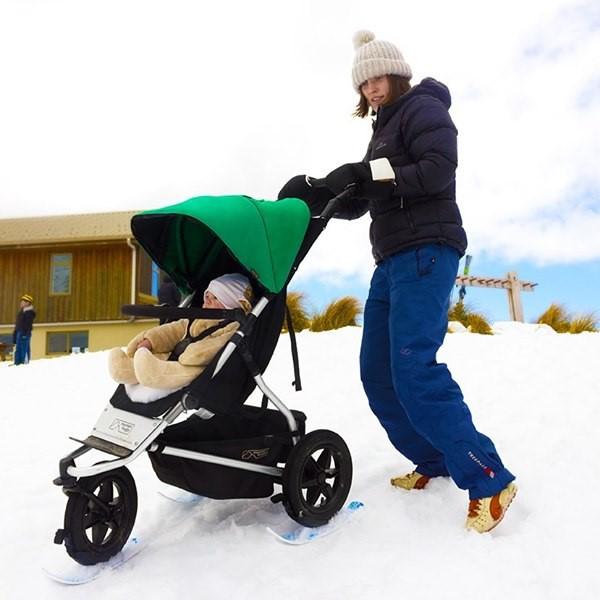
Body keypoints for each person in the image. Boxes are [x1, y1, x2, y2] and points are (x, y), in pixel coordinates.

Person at [278, 31, 516, 533]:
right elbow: (373, 192)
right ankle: (433, 461)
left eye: (376, 77)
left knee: (413, 367)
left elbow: (436, 170)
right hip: (389, 261)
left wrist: (369, 175)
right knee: (377, 372)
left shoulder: (424, 109)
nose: (370, 88)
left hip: (426, 252)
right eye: (362, 82)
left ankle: (490, 478)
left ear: (396, 73)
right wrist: (327, 197)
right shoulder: (382, 129)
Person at [108, 273, 254, 390]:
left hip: (198, 368)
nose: (207, 301)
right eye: (206, 297)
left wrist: (189, 354)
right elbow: (173, 330)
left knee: (174, 371)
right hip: (178, 356)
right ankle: (126, 369)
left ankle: (152, 372)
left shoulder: (232, 327)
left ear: (231, 303)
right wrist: (150, 341)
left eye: (215, 298)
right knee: (149, 358)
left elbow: (214, 347)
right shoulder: (197, 318)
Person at [13, 294, 36, 365]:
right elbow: (17, 324)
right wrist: (15, 333)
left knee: (24, 348)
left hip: (25, 332)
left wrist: (25, 334)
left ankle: (24, 362)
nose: (21, 303)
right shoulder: (21, 312)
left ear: (28, 303)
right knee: (18, 348)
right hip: (19, 332)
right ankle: (17, 363)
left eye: (22, 302)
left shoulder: (30, 312)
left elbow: (28, 324)